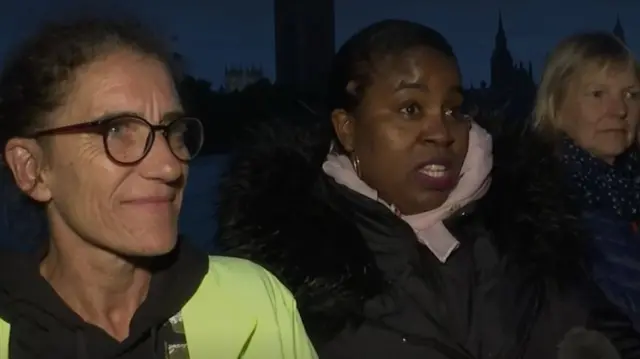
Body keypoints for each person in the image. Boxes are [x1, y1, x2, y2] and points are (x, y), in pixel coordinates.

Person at [217, 20, 640, 358]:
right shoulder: (281, 285)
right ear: (347, 128)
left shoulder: (528, 234)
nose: (440, 131)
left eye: (453, 109)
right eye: (410, 109)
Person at [0, 18, 316, 359]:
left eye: (172, 131)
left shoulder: (257, 306)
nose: (168, 166)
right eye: (117, 130)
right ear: (31, 168)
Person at [534, 32, 640, 329]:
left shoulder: (627, 198)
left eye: (631, 95)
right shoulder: (539, 213)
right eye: (597, 94)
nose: (620, 110)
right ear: (556, 105)